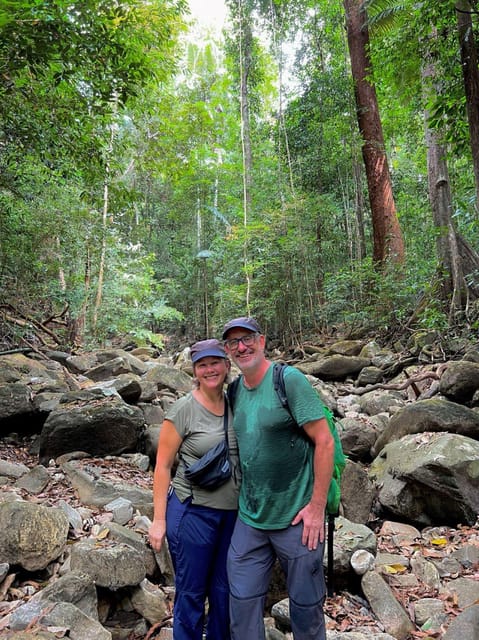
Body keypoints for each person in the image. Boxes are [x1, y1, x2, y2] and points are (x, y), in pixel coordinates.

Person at [222, 317, 335, 640]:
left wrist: (316, 507)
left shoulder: (288, 380)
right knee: (242, 606)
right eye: (233, 343)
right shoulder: (234, 391)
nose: (241, 347)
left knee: (306, 608)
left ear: (262, 341)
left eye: (247, 339)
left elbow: (324, 441)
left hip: (297, 517)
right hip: (251, 518)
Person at [148, 339, 240, 640]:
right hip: (192, 513)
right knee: (191, 593)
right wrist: (158, 521)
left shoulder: (237, 402)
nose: (210, 369)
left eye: (215, 362)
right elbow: (162, 467)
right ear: (194, 371)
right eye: (203, 364)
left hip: (233, 516)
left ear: (227, 366)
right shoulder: (183, 410)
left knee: (224, 593)